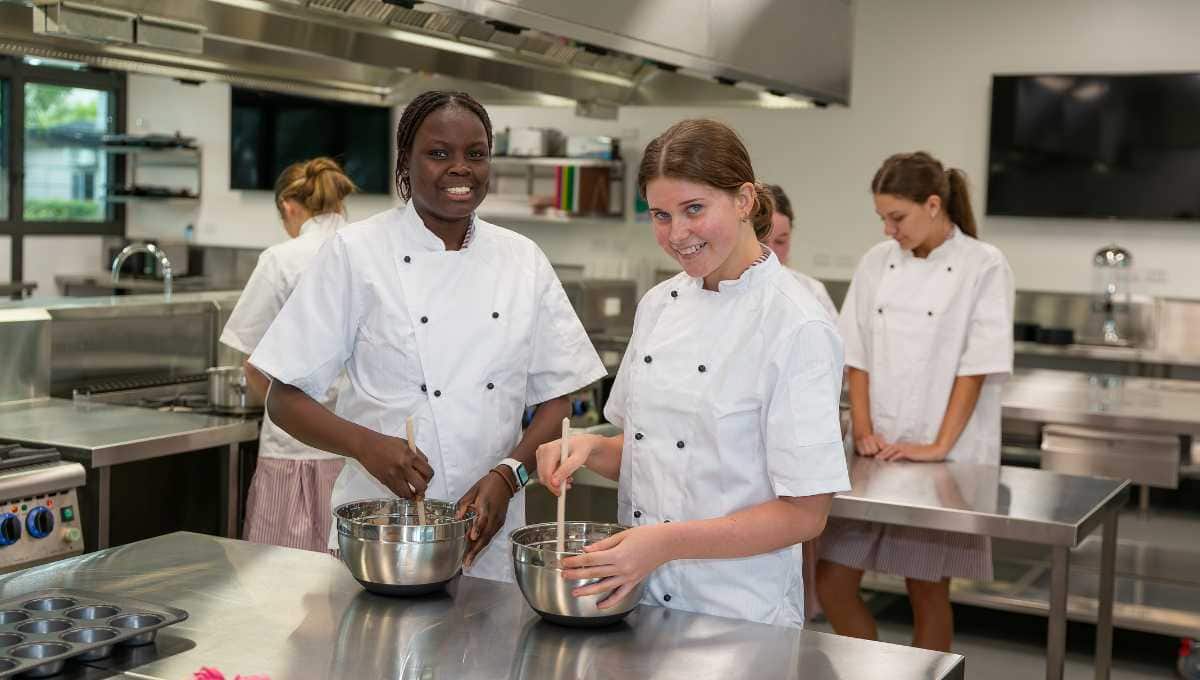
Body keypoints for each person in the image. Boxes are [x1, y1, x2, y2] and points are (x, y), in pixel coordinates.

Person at [247, 91, 606, 580]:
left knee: (485, 656)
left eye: (475, 154)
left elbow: (556, 401)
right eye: (439, 153)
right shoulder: (356, 254)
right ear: (406, 162)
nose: (460, 168)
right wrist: (365, 446)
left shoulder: (523, 260)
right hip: (382, 533)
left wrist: (510, 474)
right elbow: (283, 399)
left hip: (490, 536)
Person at [535, 119, 850, 627]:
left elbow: (806, 514)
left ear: (745, 200)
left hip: (737, 614)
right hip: (634, 597)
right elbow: (656, 453)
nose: (677, 234)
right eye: (661, 215)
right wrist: (593, 449)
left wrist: (663, 544)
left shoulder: (798, 322)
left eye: (694, 209)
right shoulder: (659, 305)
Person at [815, 151, 1014, 652]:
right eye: (882, 217)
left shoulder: (983, 265)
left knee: (926, 592)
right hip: (874, 459)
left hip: (939, 463)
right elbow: (855, 353)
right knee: (832, 584)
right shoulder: (875, 262)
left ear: (932, 204)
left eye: (897, 217)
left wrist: (937, 445)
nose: (888, 229)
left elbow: (976, 366)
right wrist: (863, 431)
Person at [218, 157, 357, 552]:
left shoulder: (281, 259)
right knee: (349, 585)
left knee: (277, 584)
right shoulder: (370, 250)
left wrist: (281, 407)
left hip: (293, 451)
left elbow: (252, 360)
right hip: (364, 451)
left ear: (288, 207)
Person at [764, 184, 838, 320]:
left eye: (780, 241)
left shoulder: (813, 292)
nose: (771, 252)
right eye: (762, 242)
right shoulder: (723, 289)